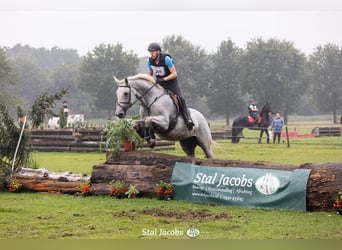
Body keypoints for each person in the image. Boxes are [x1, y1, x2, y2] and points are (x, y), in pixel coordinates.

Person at [147, 42, 194, 130]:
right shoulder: (149, 61)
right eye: (150, 52)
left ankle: (188, 118)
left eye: (153, 51)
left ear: (158, 51)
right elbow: (149, 75)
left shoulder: (166, 59)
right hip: (160, 84)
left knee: (180, 98)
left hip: (171, 83)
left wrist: (163, 79)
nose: (151, 54)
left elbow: (174, 74)